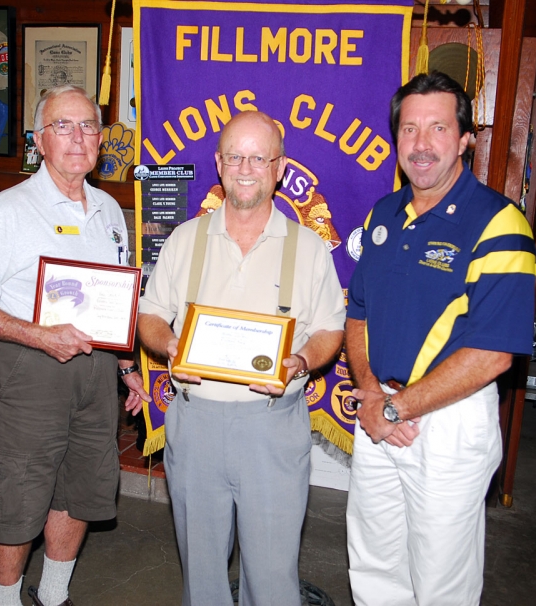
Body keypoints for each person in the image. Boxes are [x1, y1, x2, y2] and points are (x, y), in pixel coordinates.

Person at [0, 85, 149, 606]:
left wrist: (127, 367)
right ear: (38, 140)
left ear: (101, 140)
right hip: (24, 376)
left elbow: (112, 303)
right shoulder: (7, 210)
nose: (78, 138)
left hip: (95, 375)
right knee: (17, 497)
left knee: (81, 487)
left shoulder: (107, 209)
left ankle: (53, 595)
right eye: (63, 126)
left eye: (88, 126)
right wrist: (39, 335)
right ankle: (6, 602)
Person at [345, 71, 536, 606]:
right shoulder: (383, 215)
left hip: (447, 423)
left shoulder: (501, 223)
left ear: (465, 139)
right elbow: (357, 313)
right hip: (379, 411)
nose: (421, 144)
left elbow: (493, 353)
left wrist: (399, 408)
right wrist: (372, 395)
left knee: (441, 584)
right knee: (374, 566)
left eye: (437, 128)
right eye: (409, 129)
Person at [137, 110, 345, 606]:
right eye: (235, 156)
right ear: (218, 163)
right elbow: (150, 315)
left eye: (258, 157)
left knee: (273, 577)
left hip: (271, 428)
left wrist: (297, 362)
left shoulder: (310, 248)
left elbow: (330, 331)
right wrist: (169, 344)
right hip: (195, 425)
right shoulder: (184, 239)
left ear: (278, 167)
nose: (246, 168)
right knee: (202, 572)